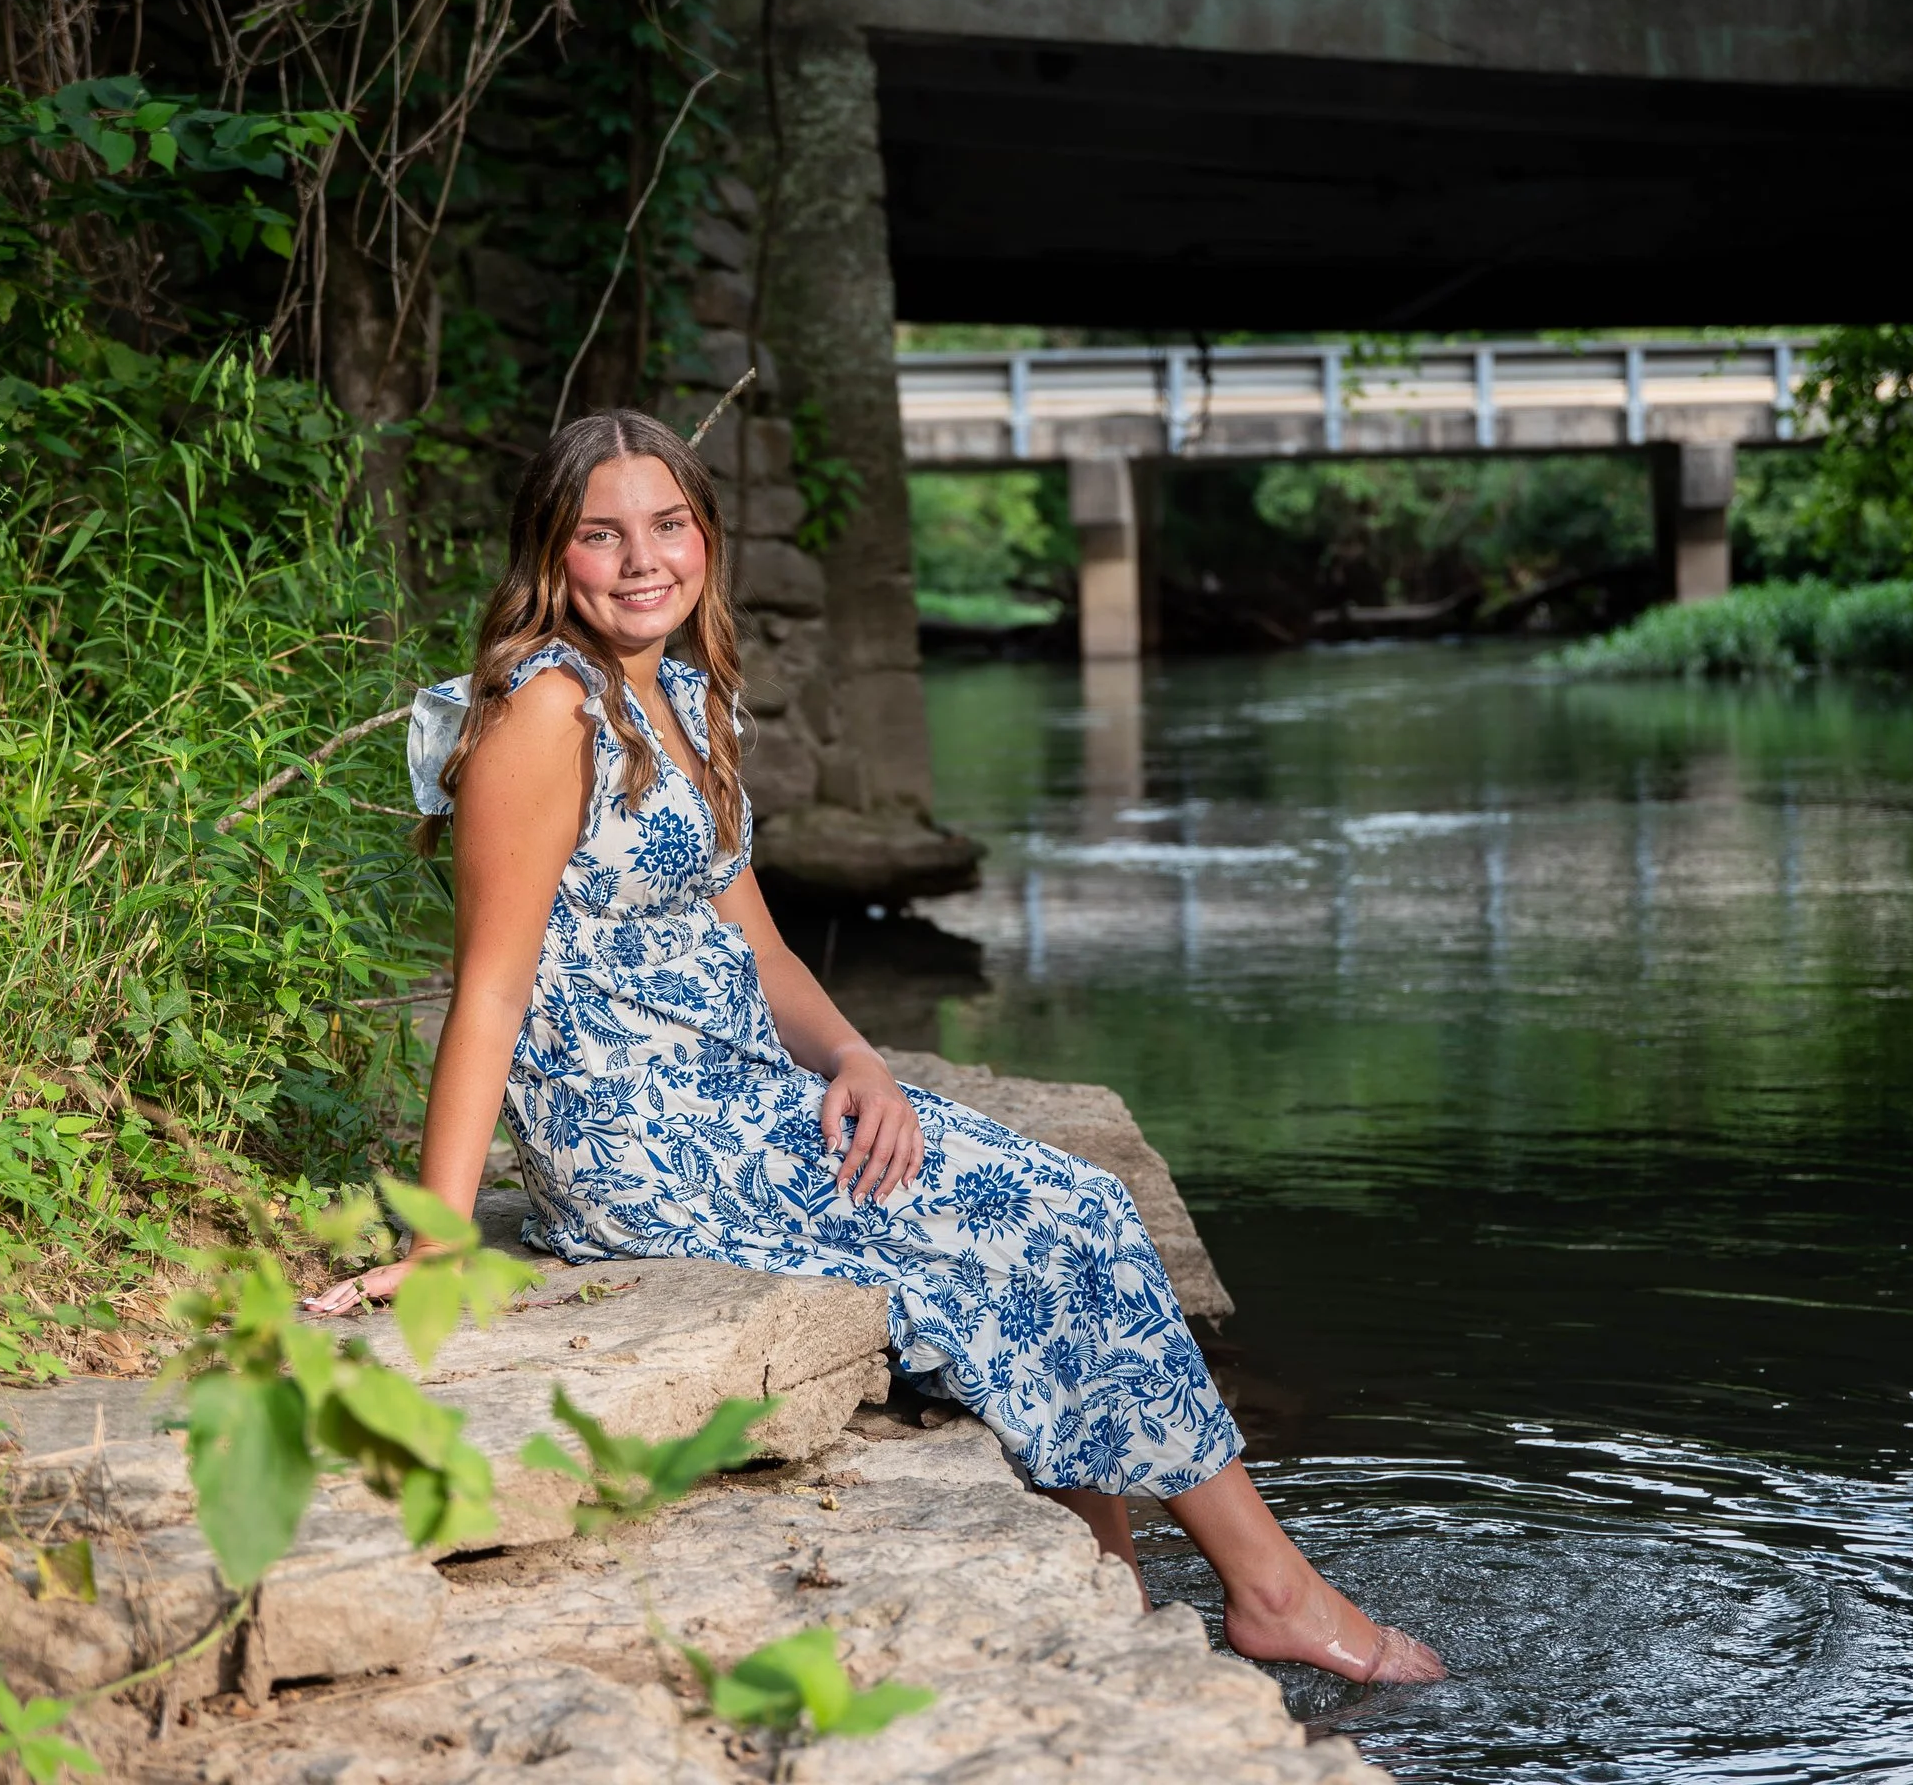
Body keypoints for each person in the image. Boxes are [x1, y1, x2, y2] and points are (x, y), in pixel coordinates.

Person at [302, 408, 1443, 1686]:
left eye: (669, 525)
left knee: (1075, 1209)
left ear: (707, 537)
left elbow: (767, 949)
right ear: (548, 555)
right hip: (640, 1136)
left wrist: (857, 1058)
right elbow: (493, 986)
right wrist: (442, 1234)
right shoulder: (543, 712)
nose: (642, 560)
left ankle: (1110, 1581)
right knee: (1049, 1216)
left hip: (737, 1089)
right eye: (601, 534)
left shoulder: (678, 694)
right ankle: (1273, 1591)